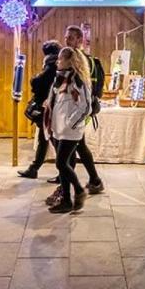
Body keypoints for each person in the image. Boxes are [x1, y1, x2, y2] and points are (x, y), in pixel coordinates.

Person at [45, 46, 92, 214]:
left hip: (70, 130)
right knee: (63, 165)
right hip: (58, 128)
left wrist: (71, 123)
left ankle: (79, 190)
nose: (57, 61)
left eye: (60, 59)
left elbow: (86, 107)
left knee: (61, 163)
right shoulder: (59, 79)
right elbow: (56, 100)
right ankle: (66, 199)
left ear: (69, 61)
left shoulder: (77, 80)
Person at [60, 26, 104, 193]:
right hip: (69, 111)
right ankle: (92, 180)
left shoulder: (90, 61)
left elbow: (96, 88)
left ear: (80, 40)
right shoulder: (65, 58)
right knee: (78, 144)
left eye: (71, 37)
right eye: (66, 36)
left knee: (74, 143)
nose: (67, 40)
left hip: (82, 111)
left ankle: (71, 186)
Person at [18, 40, 62, 179]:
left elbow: (39, 82)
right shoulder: (57, 62)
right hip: (51, 105)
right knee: (45, 138)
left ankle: (63, 172)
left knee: (51, 138)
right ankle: (34, 168)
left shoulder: (51, 64)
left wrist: (33, 79)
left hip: (46, 105)